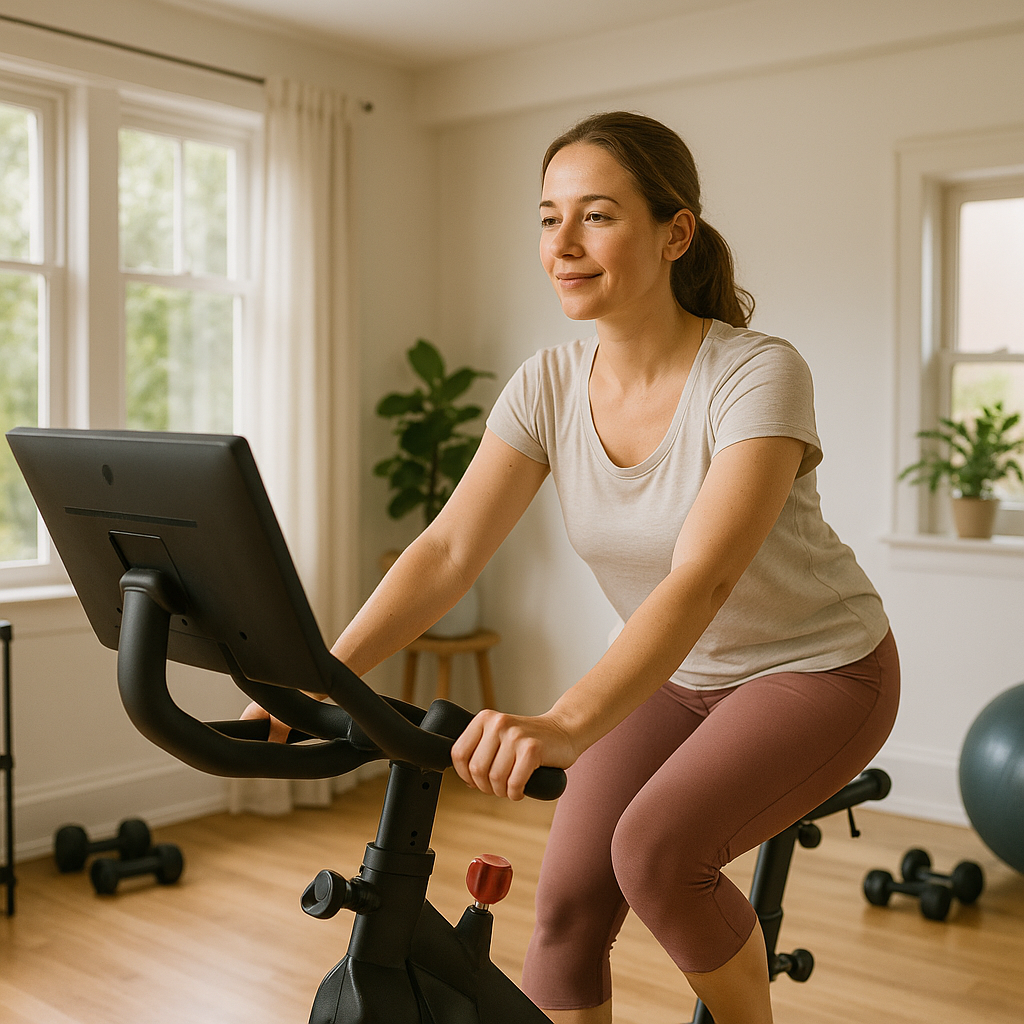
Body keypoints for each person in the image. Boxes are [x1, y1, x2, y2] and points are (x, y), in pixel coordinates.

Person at [244, 111, 899, 1024]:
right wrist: (316, 677)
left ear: (676, 234)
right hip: (677, 676)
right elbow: (447, 550)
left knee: (658, 856)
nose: (564, 244)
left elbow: (700, 577)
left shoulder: (756, 374)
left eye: (597, 216)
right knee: (563, 913)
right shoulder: (548, 383)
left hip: (817, 668)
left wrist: (564, 723)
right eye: (549, 218)